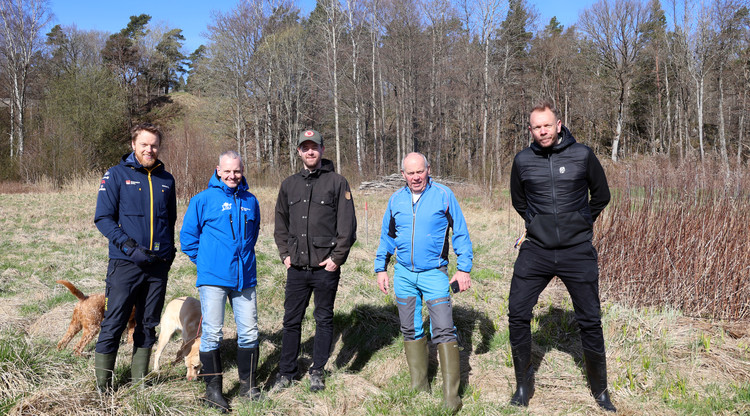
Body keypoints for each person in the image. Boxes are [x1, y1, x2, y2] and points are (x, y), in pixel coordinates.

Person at [508, 101, 615, 411]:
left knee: (591, 321)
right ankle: (523, 386)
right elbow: (519, 200)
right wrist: (537, 224)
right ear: (531, 130)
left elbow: (602, 195)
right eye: (536, 127)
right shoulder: (523, 161)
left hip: (576, 251)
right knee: (517, 314)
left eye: (547, 125)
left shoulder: (582, 155)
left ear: (558, 125)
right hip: (537, 251)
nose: (542, 131)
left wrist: (579, 222)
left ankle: (600, 391)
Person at [374, 152, 473, 413]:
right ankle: (419, 386)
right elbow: (387, 237)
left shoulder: (443, 195)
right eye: (410, 172)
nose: (416, 177)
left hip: (434, 274)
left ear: (428, 169)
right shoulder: (395, 200)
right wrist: (380, 268)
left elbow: (460, 232)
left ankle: (452, 398)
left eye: (420, 171)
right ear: (403, 174)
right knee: (410, 329)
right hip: (404, 275)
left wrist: (463, 269)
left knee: (443, 329)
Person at [93, 122, 177, 391]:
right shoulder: (116, 175)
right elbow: (103, 219)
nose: (149, 149)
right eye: (144, 144)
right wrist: (128, 246)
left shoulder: (167, 179)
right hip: (125, 263)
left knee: (148, 324)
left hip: (157, 267)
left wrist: (169, 253)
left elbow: (170, 221)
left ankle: (139, 384)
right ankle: (103, 390)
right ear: (133, 145)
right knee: (114, 322)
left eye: (153, 145)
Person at [272, 129, 357, 392]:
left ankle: (317, 370)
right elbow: (280, 224)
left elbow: (348, 226)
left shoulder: (337, 182)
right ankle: (286, 372)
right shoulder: (289, 185)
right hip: (296, 267)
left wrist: (336, 259)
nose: (310, 151)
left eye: (314, 147)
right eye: (305, 147)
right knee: (291, 321)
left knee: (323, 319)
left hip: (325, 268)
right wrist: (285, 255)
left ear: (322, 150)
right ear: (298, 151)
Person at [180, 151, 261, 412]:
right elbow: (188, 239)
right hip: (213, 279)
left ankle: (248, 387)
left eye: (236, 171)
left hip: (245, 277)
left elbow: (253, 234)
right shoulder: (202, 200)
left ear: (242, 170)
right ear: (218, 170)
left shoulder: (251, 201)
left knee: (249, 332)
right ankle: (213, 391)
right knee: (212, 333)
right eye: (227, 171)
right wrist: (206, 263)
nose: (232, 175)